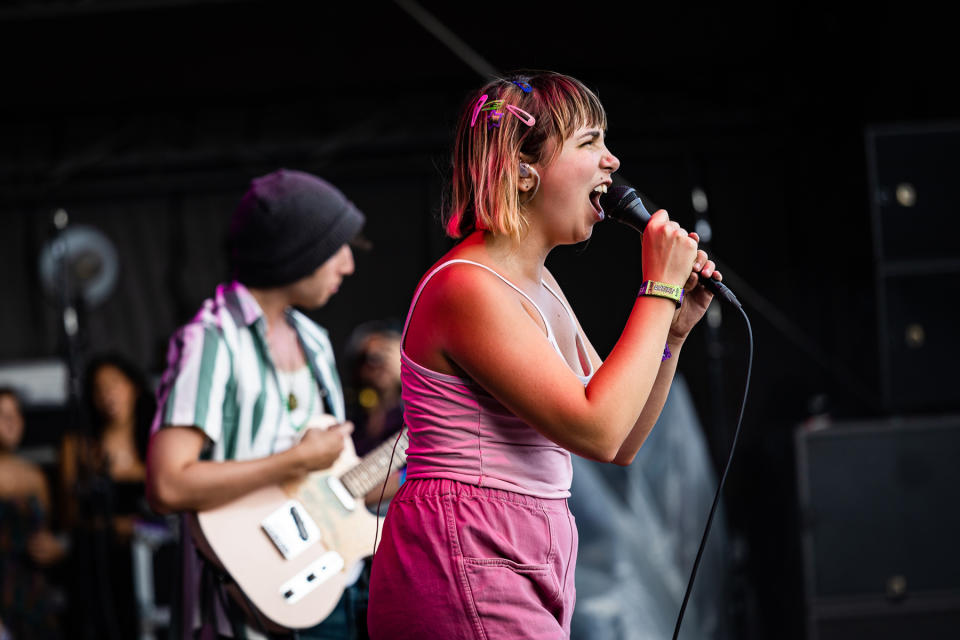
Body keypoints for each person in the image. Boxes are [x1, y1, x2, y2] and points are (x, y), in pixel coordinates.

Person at [366, 71, 722, 639]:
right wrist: (657, 289)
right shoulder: (467, 286)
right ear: (523, 169)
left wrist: (671, 335)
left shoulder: (540, 283)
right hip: (466, 548)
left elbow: (622, 443)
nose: (612, 161)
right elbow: (598, 431)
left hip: (519, 549)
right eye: (590, 143)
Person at [146, 169, 371, 639]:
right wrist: (296, 460)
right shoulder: (210, 342)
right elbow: (167, 484)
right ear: (296, 251)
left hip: (335, 586)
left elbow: (329, 482)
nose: (348, 265)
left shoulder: (314, 340)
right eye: (335, 248)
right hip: (243, 613)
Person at [58, 353, 157, 639]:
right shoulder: (80, 447)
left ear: (134, 387)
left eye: (114, 384)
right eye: (98, 389)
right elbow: (68, 517)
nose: (107, 395)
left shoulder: (156, 442)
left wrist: (137, 527)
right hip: (97, 562)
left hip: (151, 561)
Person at [0, 387, 65, 639]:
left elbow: (50, 531)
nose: (11, 422)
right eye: (2, 414)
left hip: (32, 592)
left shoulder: (35, 476)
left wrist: (55, 548)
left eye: (16, 414)